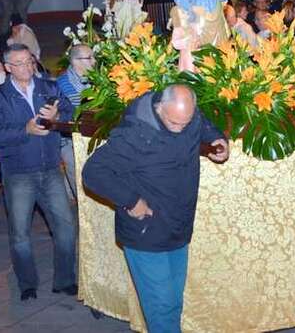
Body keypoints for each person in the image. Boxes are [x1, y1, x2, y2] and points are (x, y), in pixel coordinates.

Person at [82, 84, 228, 333]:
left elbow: (201, 124)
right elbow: (93, 172)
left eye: (186, 121)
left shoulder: (188, 117)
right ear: (160, 108)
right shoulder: (134, 134)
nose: (180, 128)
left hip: (178, 226)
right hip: (146, 233)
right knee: (160, 308)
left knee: (173, 302)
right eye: (174, 123)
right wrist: (131, 200)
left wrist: (216, 138)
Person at [0, 44, 76, 301]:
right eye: (20, 63)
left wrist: (58, 114)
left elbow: (71, 113)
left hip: (51, 169)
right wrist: (25, 130)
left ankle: (65, 280)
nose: (27, 67)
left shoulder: (49, 87)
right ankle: (27, 284)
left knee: (66, 227)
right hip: (19, 173)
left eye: (29, 61)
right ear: (8, 68)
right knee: (20, 233)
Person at [55, 44, 96, 198]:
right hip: (69, 139)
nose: (94, 61)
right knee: (77, 174)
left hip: (90, 135)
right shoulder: (63, 84)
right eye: (89, 58)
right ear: (75, 61)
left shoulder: (95, 79)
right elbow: (78, 109)